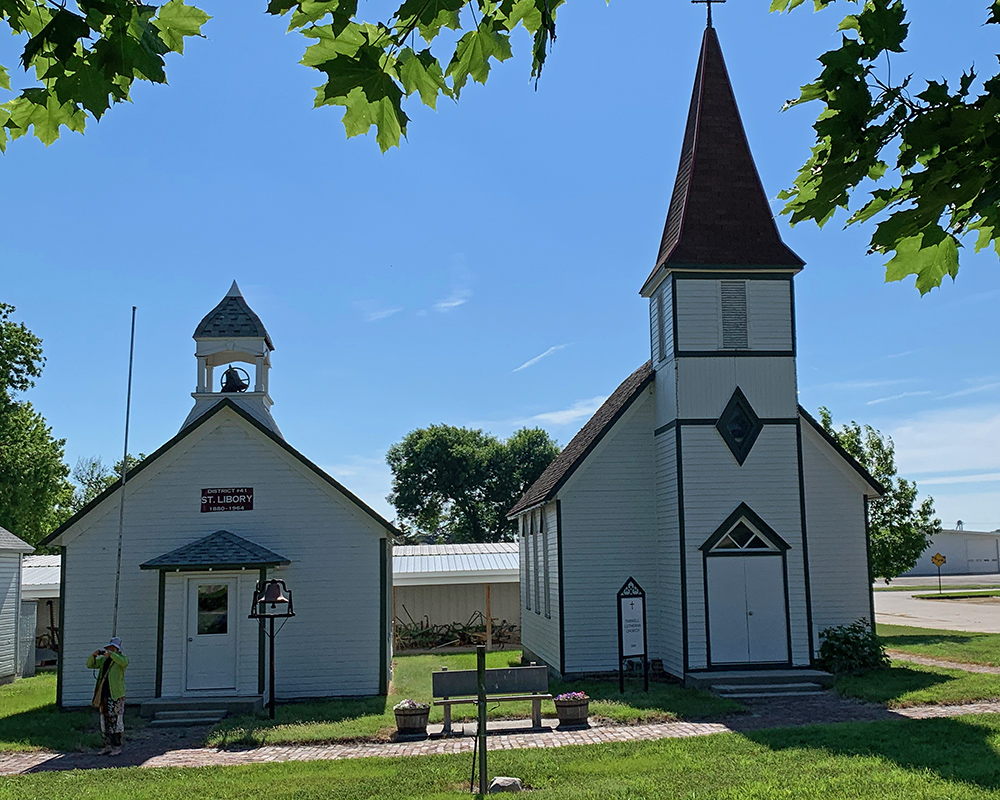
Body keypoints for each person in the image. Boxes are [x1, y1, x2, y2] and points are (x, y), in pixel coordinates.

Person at [86, 636, 129, 755]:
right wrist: (94, 655)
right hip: (104, 695)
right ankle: (107, 745)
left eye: (112, 648)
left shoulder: (121, 659)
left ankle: (117, 747)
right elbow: (89, 665)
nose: (109, 650)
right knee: (104, 721)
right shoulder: (104, 661)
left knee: (116, 721)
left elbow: (124, 662)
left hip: (116, 695)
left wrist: (112, 655)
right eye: (108, 648)